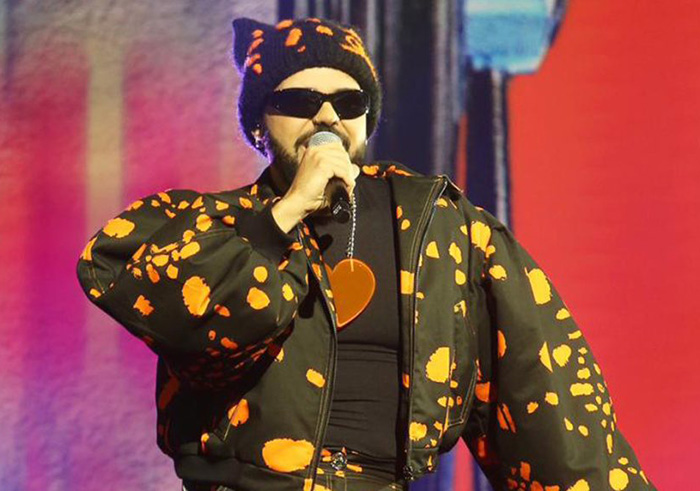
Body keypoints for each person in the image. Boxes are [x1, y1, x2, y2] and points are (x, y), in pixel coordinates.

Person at [76, 17, 655, 491]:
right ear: (257, 125)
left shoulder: (439, 228)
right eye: (301, 100)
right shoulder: (212, 225)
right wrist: (283, 215)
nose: (327, 117)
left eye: (348, 102)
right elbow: (138, 286)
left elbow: (545, 402)